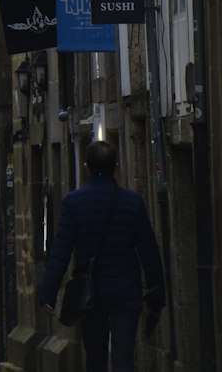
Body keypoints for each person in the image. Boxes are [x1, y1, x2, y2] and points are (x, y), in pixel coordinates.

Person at [39, 139, 165, 372]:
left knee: (95, 357)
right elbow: (149, 251)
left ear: (86, 167)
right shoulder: (132, 202)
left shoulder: (74, 203)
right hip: (126, 291)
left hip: (91, 293)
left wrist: (49, 292)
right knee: (124, 357)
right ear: (116, 167)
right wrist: (157, 294)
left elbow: (61, 250)